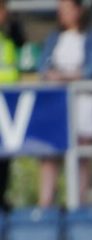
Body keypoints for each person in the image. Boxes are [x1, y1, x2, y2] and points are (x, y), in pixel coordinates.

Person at [38, 0, 92, 207]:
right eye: (61, 11)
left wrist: (66, 76)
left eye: (67, 9)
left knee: (82, 152)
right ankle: (46, 201)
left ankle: (79, 200)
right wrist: (56, 76)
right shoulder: (53, 38)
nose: (63, 14)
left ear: (79, 11)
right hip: (57, 102)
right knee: (50, 152)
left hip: (84, 100)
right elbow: (43, 66)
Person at [0, 0, 24, 213]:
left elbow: (21, 43)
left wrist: (12, 23)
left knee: (5, 156)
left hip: (8, 103)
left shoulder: (9, 36)